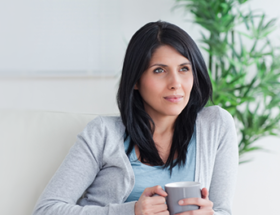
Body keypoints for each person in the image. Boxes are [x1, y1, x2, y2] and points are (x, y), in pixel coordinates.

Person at [32, 21, 238, 215]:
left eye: (184, 69)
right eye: (159, 70)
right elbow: (46, 210)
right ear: (136, 81)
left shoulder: (216, 125)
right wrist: (131, 211)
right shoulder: (103, 133)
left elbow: (223, 210)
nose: (176, 83)